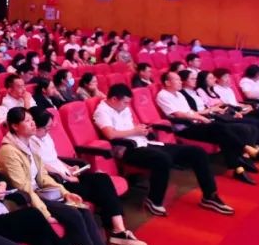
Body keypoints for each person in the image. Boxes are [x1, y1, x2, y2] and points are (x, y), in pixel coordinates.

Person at [0, 108, 145, 245]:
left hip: (40, 193)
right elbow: (24, 188)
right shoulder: (8, 151)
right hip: (24, 201)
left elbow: (42, 176)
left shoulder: (31, 144)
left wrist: (64, 192)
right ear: (14, 126)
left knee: (81, 208)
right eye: (27, 121)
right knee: (73, 214)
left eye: (32, 120)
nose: (33, 123)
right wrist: (45, 213)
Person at [93, 84, 233, 216]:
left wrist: (142, 129)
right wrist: (135, 131)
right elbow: (110, 134)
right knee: (162, 159)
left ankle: (210, 196)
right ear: (114, 99)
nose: (127, 106)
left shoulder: (123, 108)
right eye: (125, 102)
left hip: (144, 143)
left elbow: (129, 126)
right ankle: (154, 200)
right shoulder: (102, 111)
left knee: (197, 152)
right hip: (127, 149)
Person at [27, 108, 147, 245]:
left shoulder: (45, 136)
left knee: (102, 179)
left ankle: (119, 229)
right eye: (46, 128)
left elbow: (53, 158)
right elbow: (41, 165)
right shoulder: (29, 141)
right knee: (100, 190)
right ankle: (116, 234)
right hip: (57, 183)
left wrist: (68, 167)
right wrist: (64, 175)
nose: (49, 131)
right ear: (35, 127)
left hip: (67, 175)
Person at [155, 71, 259, 185]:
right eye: (177, 80)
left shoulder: (179, 94)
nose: (180, 82)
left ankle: (238, 168)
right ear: (167, 82)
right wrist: (200, 118)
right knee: (220, 130)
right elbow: (178, 114)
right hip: (185, 128)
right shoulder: (163, 95)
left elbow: (190, 111)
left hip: (195, 122)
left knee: (223, 133)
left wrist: (202, 115)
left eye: (180, 79)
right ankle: (246, 151)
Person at [196, 69, 259, 156]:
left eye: (228, 77)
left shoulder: (222, 89)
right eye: (225, 77)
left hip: (234, 109)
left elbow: (234, 103)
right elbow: (221, 105)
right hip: (228, 113)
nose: (228, 79)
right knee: (256, 120)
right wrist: (237, 109)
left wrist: (246, 106)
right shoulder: (212, 89)